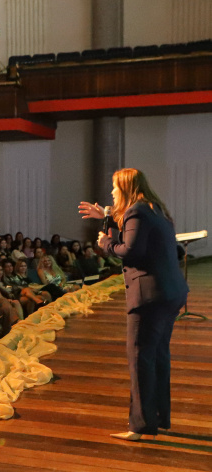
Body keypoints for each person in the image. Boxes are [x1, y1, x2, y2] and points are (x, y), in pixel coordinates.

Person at [81, 168, 188, 441]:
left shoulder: (136, 212)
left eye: (115, 189)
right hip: (170, 293)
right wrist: (106, 216)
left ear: (126, 188)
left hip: (150, 297)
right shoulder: (154, 210)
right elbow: (141, 236)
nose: (112, 193)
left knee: (140, 359)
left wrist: (107, 243)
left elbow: (130, 250)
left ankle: (139, 426)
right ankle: (159, 417)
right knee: (158, 357)